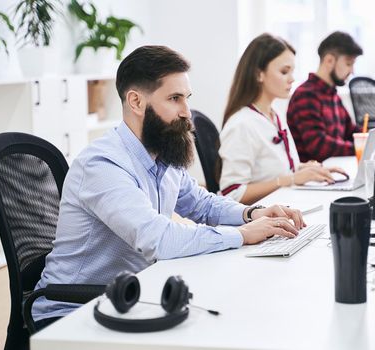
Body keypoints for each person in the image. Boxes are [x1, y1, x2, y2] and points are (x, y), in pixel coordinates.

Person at [32, 45, 305, 327]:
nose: (187, 112)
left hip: (129, 297)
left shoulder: (161, 153)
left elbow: (202, 203)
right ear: (136, 102)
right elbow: (159, 240)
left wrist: (252, 214)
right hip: (72, 313)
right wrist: (243, 234)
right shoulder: (102, 165)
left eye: (186, 98)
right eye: (175, 99)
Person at [219, 33, 346, 205]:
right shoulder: (242, 125)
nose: (292, 78)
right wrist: (290, 179)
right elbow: (232, 194)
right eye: (284, 71)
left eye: (292, 71)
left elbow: (274, 169)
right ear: (259, 74)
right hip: (261, 221)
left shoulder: (274, 115)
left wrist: (311, 170)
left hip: (284, 206)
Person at [287, 31, 363, 162]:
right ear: (329, 60)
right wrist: (360, 148)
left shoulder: (332, 94)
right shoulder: (306, 95)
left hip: (332, 171)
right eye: (348, 64)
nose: (352, 71)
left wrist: (374, 139)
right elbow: (319, 146)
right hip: (313, 178)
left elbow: (350, 131)